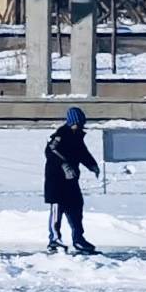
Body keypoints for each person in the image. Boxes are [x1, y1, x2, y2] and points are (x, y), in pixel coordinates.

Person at [44, 106, 100, 254]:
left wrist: (92, 165)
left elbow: (83, 153)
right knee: (58, 209)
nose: (80, 126)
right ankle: (54, 239)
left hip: (71, 181)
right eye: (78, 123)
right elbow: (50, 152)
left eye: (81, 123)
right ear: (71, 122)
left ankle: (78, 239)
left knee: (76, 208)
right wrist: (64, 165)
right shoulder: (60, 135)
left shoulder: (77, 137)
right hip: (56, 181)